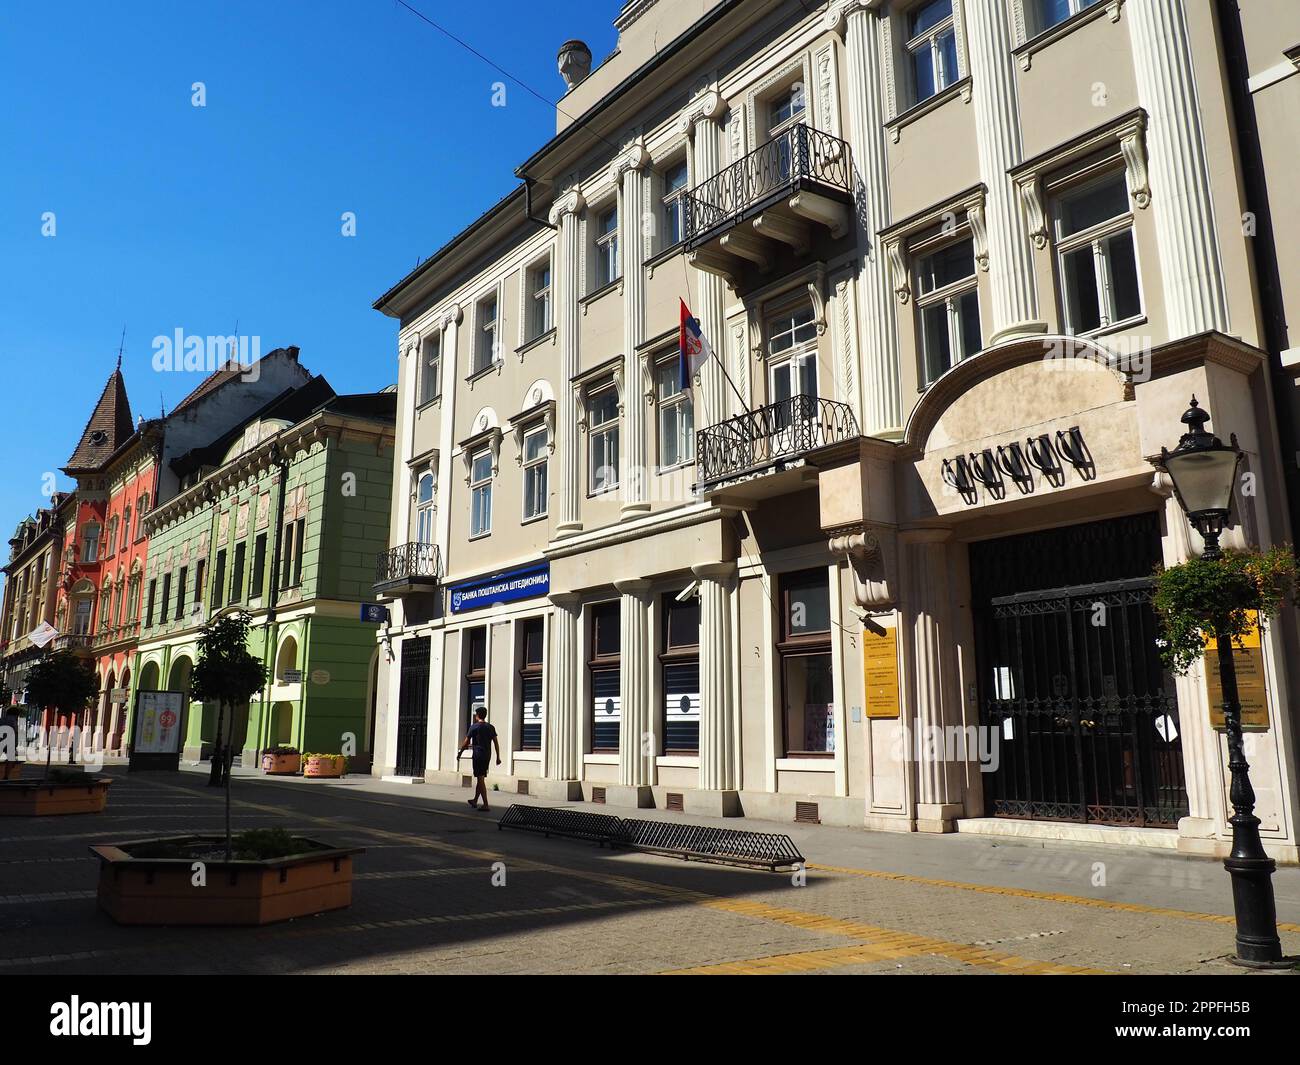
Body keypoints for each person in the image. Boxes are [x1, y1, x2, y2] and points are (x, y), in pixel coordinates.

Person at [459, 707, 500, 811]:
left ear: (477, 715)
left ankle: (486, 804)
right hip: (487, 756)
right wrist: (498, 757)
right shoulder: (491, 727)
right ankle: (475, 800)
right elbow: (496, 742)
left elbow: (466, 742)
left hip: (478, 756)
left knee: (480, 779)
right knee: (480, 777)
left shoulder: (474, 727)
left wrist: (460, 753)